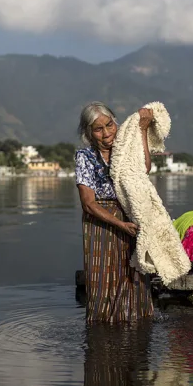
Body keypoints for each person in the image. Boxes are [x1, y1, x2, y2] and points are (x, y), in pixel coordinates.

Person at [75, 101, 155, 323]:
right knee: (103, 277)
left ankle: (137, 321)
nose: (107, 133)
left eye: (110, 125)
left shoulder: (125, 148)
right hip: (100, 222)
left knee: (134, 274)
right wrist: (120, 225)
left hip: (130, 212)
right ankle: (103, 326)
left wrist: (143, 130)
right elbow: (88, 204)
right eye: (99, 129)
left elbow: (144, 168)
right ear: (89, 133)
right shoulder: (86, 157)